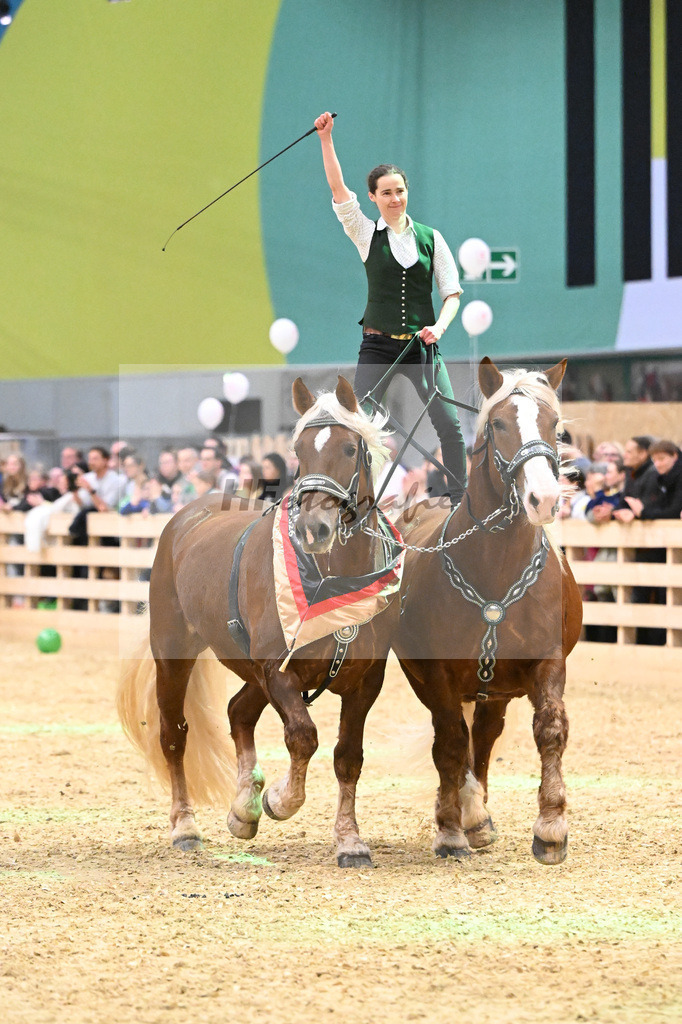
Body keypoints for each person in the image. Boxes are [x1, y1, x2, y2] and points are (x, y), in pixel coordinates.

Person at [315, 110, 467, 502]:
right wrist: (326, 140)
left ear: (406, 191)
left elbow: (451, 293)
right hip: (379, 344)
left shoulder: (432, 238)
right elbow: (338, 191)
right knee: (358, 424)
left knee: (450, 426)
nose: (395, 198)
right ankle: (356, 500)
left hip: (422, 346)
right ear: (373, 197)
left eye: (399, 190)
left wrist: (441, 327)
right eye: (386, 192)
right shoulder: (365, 233)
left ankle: (460, 500)